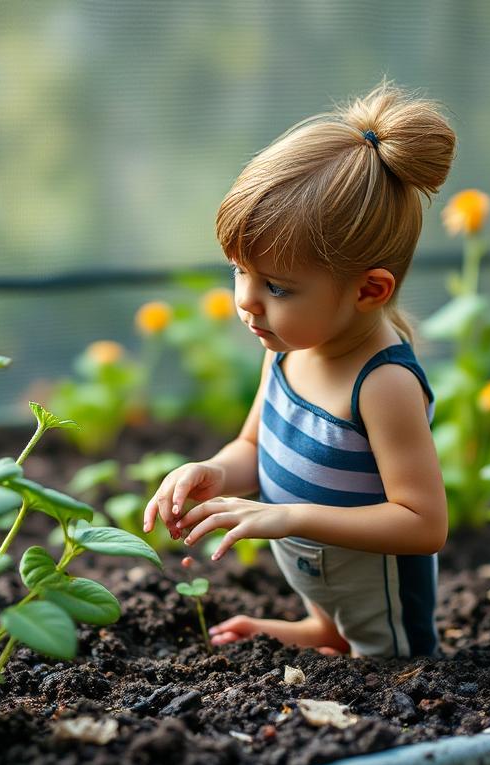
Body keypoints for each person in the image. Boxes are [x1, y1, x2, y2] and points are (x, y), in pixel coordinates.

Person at [142, 81, 454, 658]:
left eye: (278, 287)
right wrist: (213, 470)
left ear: (369, 290)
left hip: (375, 583)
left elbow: (423, 524)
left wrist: (289, 515)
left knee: (390, 663)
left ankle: (358, 646)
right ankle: (323, 631)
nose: (247, 302)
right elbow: (253, 443)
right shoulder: (285, 345)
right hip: (309, 558)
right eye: (239, 271)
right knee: (329, 605)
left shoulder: (383, 385)